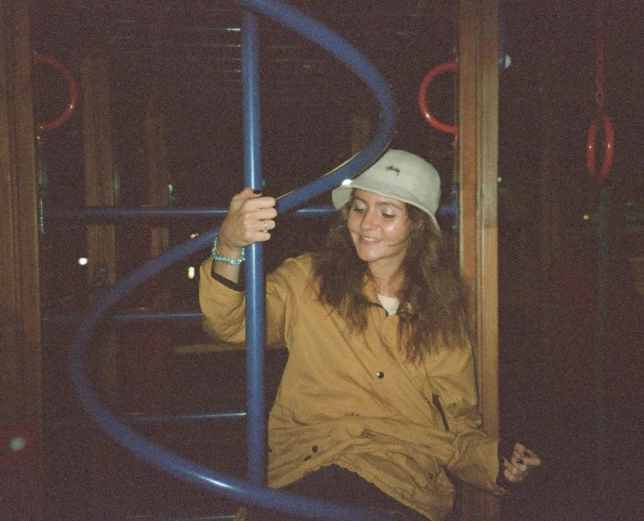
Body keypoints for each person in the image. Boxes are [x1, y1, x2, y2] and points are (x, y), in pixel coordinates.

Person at [199, 149, 541, 521]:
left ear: (418, 225)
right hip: (307, 468)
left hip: (401, 481)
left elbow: (457, 424)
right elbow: (230, 325)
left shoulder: (439, 311)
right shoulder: (307, 280)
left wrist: (497, 461)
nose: (366, 224)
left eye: (388, 213)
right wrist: (230, 246)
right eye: (359, 208)